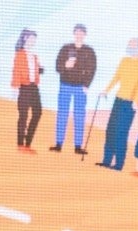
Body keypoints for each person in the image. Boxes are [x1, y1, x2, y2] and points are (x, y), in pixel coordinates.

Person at [97, 37, 138, 170]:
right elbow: (116, 77)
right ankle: (106, 161)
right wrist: (106, 90)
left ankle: (119, 164)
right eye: (129, 44)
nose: (130, 46)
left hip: (129, 103)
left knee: (121, 133)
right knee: (111, 130)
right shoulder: (124, 60)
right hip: (118, 100)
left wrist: (136, 100)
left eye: (133, 44)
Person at [50, 23, 96, 155]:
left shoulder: (89, 51)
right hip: (65, 85)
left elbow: (92, 69)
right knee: (62, 114)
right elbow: (57, 67)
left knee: (79, 116)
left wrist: (87, 85)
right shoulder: (65, 48)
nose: (79, 34)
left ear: (85, 34)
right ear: (73, 33)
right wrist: (65, 65)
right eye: (77, 32)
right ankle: (58, 144)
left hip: (80, 87)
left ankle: (78, 146)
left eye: (82, 32)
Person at [11, 28, 43, 154]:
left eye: (34, 39)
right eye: (31, 38)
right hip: (24, 88)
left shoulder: (34, 56)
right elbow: (16, 71)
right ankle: (20, 144)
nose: (33, 41)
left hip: (34, 87)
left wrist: (40, 68)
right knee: (23, 116)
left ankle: (28, 143)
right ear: (25, 38)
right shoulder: (20, 54)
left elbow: (35, 71)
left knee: (38, 112)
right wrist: (15, 88)